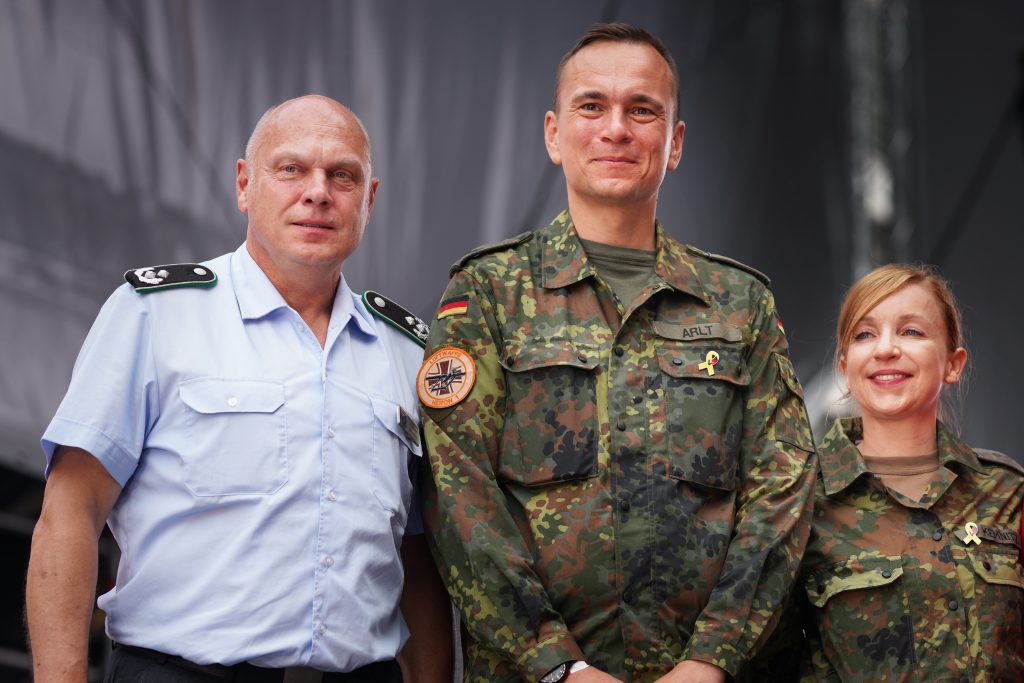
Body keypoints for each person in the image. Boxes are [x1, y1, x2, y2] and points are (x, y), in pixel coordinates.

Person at [418, 23, 817, 683]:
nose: (616, 129)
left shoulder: (740, 303)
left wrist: (711, 658)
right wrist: (556, 664)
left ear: (675, 142)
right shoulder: (486, 294)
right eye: (591, 106)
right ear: (553, 133)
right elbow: (457, 496)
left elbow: (783, 494)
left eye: (642, 109)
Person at [26, 95, 453, 683]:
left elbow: (416, 554)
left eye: (342, 176)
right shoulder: (156, 315)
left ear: (369, 200)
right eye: (291, 169)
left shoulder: (408, 351)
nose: (318, 192)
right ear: (244, 185)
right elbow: (70, 513)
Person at [751, 264, 1024, 681]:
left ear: (953, 364)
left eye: (911, 331)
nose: (885, 349)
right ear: (845, 368)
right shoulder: (798, 499)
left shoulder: (1008, 491)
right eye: (864, 334)